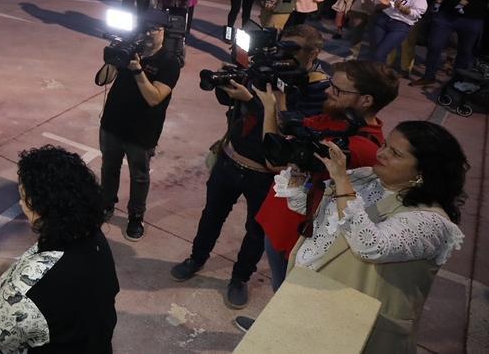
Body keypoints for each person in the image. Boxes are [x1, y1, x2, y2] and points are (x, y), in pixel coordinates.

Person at [171, 25, 329, 310]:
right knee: (211, 216)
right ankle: (197, 258)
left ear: (314, 53)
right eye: (282, 48)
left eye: (291, 51)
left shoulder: (318, 89)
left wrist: (254, 101)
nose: (283, 56)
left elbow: (292, 128)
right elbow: (232, 103)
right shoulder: (267, 67)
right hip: (230, 161)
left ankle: (240, 277)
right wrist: (228, 86)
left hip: (267, 175)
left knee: (256, 232)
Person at [274, 121, 467, 353]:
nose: (381, 153)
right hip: (312, 299)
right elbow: (304, 206)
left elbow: (370, 246)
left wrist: (342, 180)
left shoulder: (433, 222)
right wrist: (299, 168)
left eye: (394, 153)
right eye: (385, 145)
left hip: (360, 329)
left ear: (423, 171)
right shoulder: (367, 177)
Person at [250, 60, 398, 300]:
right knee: (279, 287)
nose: (328, 91)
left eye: (338, 90)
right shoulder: (340, 119)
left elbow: (274, 159)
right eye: (332, 84)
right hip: (281, 219)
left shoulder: (361, 149)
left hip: (299, 234)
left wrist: (269, 107)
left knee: (286, 295)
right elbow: (292, 131)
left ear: (366, 100)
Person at [0, 146, 118, 353]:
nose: (21, 204)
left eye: (23, 197)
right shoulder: (90, 236)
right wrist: (0, 266)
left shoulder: (38, 286)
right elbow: (48, 273)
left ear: (39, 207)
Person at [94, 16, 180, 241]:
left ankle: (136, 216)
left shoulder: (169, 62)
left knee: (139, 176)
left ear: (164, 32)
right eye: (147, 28)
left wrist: (136, 69)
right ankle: (106, 204)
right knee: (109, 167)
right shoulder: (131, 49)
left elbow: (155, 98)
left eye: (156, 29)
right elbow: (103, 80)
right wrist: (113, 57)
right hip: (112, 123)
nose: (150, 33)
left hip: (142, 131)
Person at [418, 0, 489, 87]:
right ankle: (429, 76)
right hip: (446, 14)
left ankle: (455, 82)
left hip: (473, 19)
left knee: (465, 51)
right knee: (434, 44)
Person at [362, 0, 427, 64]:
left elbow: (419, 12)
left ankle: (379, 76)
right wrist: (384, 5)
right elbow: (377, 6)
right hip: (382, 20)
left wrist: (405, 9)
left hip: (400, 24)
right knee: (376, 53)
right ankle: (377, 76)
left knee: (380, 53)